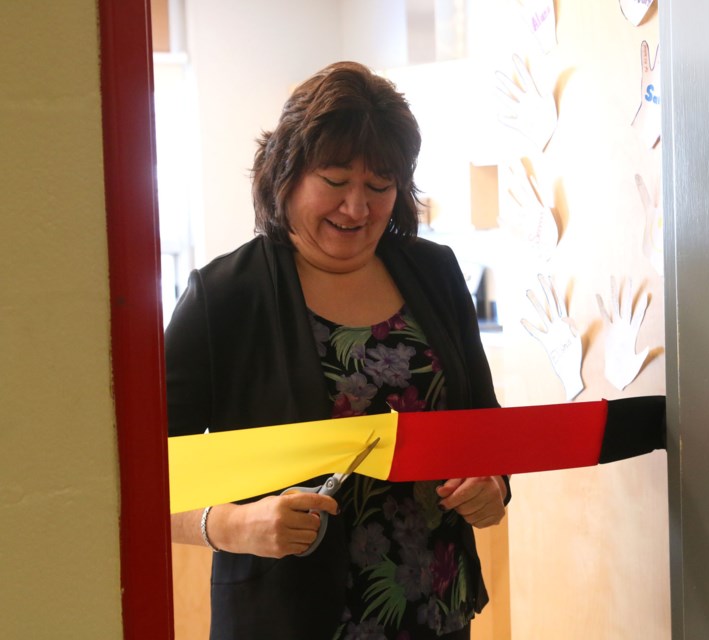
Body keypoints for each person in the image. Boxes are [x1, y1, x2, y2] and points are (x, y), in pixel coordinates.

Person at [166, 61, 509, 640]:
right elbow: (130, 476)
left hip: (434, 610)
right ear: (287, 172)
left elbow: (483, 426)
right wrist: (230, 526)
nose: (358, 208)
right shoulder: (224, 297)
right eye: (335, 181)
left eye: (380, 187)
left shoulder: (435, 272)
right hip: (287, 617)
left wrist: (492, 486)